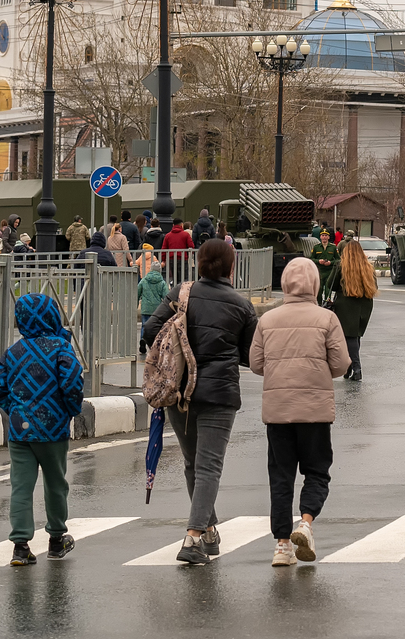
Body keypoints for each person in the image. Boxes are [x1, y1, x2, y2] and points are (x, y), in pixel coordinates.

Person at [141, 238, 257, 565]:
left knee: (193, 463)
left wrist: (176, 352)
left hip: (179, 392)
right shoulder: (242, 306)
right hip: (219, 395)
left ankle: (208, 531)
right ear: (231, 266)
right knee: (208, 466)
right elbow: (249, 356)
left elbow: (151, 328)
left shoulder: (181, 293)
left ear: (200, 263)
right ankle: (192, 538)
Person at [250, 256, 350, 566]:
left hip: (278, 411)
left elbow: (255, 364)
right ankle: (305, 523)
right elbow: (341, 364)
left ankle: (282, 546)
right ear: (316, 284)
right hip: (315, 410)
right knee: (317, 471)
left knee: (280, 477)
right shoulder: (327, 319)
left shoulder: (267, 320)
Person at [0, 292, 85, 565]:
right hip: (53, 431)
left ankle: (20, 546)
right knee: (56, 484)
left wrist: (16, 410)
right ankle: (57, 540)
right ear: (51, 315)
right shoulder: (60, 348)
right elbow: (72, 383)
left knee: (21, 486)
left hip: (20, 432)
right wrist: (69, 409)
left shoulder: (13, 352)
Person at [332, 239, 378, 382]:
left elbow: (331, 285)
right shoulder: (368, 267)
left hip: (345, 305)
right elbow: (374, 287)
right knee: (356, 336)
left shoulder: (341, 267)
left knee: (349, 337)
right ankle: (350, 368)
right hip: (365, 305)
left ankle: (356, 369)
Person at [309, 233, 342, 301]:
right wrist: (318, 261)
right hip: (319, 272)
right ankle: (319, 305)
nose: (324, 237)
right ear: (320, 237)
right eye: (323, 235)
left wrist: (331, 262)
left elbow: (338, 259)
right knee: (319, 290)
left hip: (329, 272)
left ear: (328, 237)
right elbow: (311, 259)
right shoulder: (316, 247)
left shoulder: (333, 247)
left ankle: (327, 305)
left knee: (328, 290)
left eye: (326, 236)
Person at [139, 260, 169, 326]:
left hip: (145, 309)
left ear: (151, 269)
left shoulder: (144, 280)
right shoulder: (162, 283)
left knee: (144, 326)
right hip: (157, 309)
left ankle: (143, 336)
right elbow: (166, 297)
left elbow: (137, 293)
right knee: (155, 327)